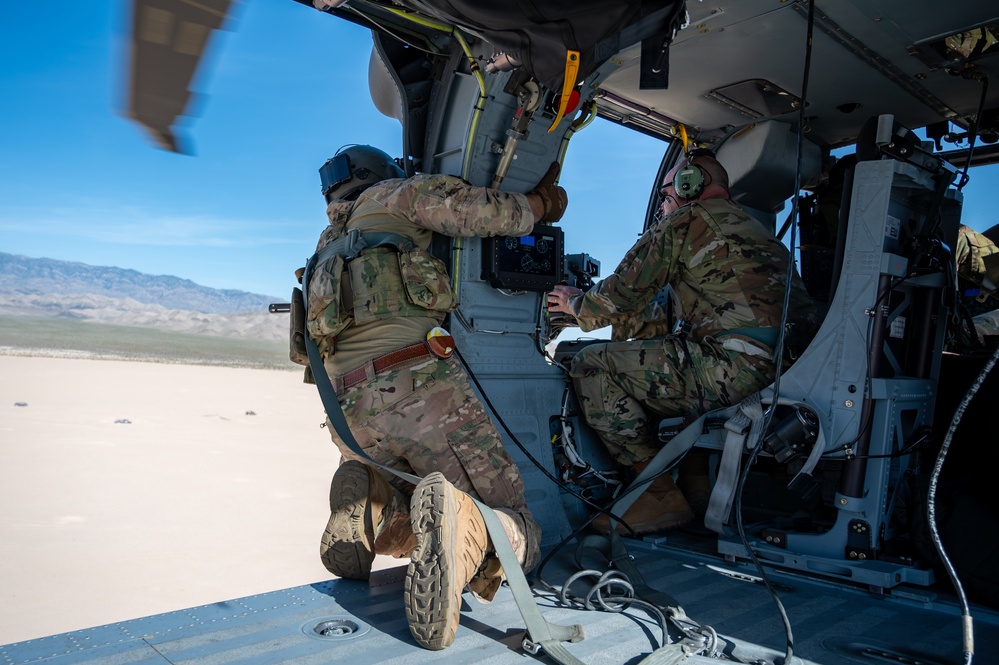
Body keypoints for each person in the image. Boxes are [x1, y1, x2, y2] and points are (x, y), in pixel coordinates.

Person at [303, 145, 567, 650]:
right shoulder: (396, 196)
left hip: (345, 411)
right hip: (415, 390)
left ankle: (370, 507)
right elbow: (483, 212)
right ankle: (466, 524)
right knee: (516, 523)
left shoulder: (325, 247)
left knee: (409, 496)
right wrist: (542, 204)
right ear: (380, 174)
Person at [548, 148, 819, 533]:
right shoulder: (756, 230)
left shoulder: (687, 220)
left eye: (665, 193)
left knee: (590, 363)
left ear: (688, 186)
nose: (663, 203)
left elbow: (622, 294)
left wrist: (574, 304)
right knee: (675, 358)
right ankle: (697, 488)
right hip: (789, 374)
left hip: (737, 370)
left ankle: (657, 495)